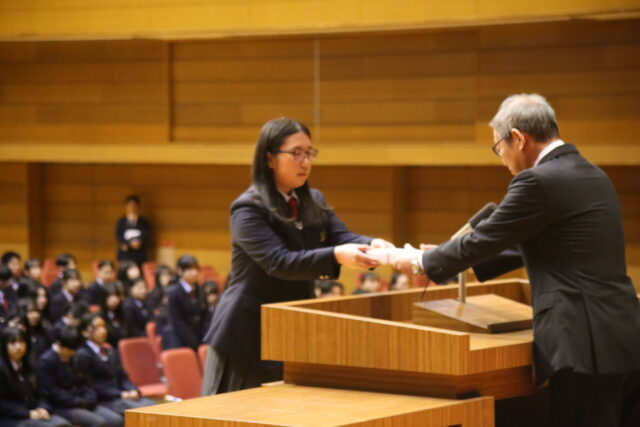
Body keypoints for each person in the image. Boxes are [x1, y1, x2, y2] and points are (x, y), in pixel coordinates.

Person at [394, 94, 640, 427]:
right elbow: (532, 240)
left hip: (582, 345)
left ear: (519, 139)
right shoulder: (593, 174)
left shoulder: (537, 181)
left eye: (499, 147)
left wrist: (420, 260)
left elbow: (485, 238)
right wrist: (448, 255)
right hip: (622, 336)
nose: (502, 159)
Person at [201, 117, 393, 395]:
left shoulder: (313, 200)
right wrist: (337, 255)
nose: (305, 162)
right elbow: (279, 261)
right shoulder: (248, 208)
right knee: (233, 413)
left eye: (309, 153)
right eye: (296, 153)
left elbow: (341, 237)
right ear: (269, 159)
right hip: (246, 332)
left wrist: (374, 244)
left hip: (291, 328)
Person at [37, 325, 122, 427]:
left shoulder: (74, 356)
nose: (74, 352)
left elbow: (85, 381)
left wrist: (89, 397)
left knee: (115, 420)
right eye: (71, 349)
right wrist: (78, 401)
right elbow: (53, 392)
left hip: (83, 401)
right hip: (63, 407)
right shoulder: (46, 362)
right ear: (59, 345)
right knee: (99, 422)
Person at [74, 314, 154, 417]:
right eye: (96, 327)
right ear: (84, 332)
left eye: (103, 326)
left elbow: (123, 376)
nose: (102, 331)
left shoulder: (110, 351)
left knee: (154, 406)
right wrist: (120, 394)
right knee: (145, 412)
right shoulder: (83, 354)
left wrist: (132, 390)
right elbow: (90, 385)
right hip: (105, 399)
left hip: (121, 395)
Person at [0, 327, 71, 427]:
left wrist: (43, 407)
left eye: (21, 342)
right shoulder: (2, 368)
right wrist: (27, 413)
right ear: (4, 346)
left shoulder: (29, 364)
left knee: (64, 424)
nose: (18, 347)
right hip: (11, 418)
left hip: (33, 411)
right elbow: (2, 404)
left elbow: (41, 393)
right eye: (13, 343)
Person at [166, 255, 206, 350]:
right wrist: (193, 342)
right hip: (183, 342)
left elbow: (205, 315)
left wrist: (205, 337)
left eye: (196, 269)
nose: (195, 272)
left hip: (201, 338)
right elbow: (178, 322)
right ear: (180, 271)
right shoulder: (174, 293)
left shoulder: (200, 289)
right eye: (190, 269)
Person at [115, 195, 150, 267]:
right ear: (126, 206)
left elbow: (146, 234)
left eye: (134, 206)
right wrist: (128, 243)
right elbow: (118, 235)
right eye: (130, 205)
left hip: (139, 253)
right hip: (125, 253)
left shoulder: (144, 222)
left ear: (138, 206)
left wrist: (138, 242)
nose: (132, 208)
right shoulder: (121, 221)